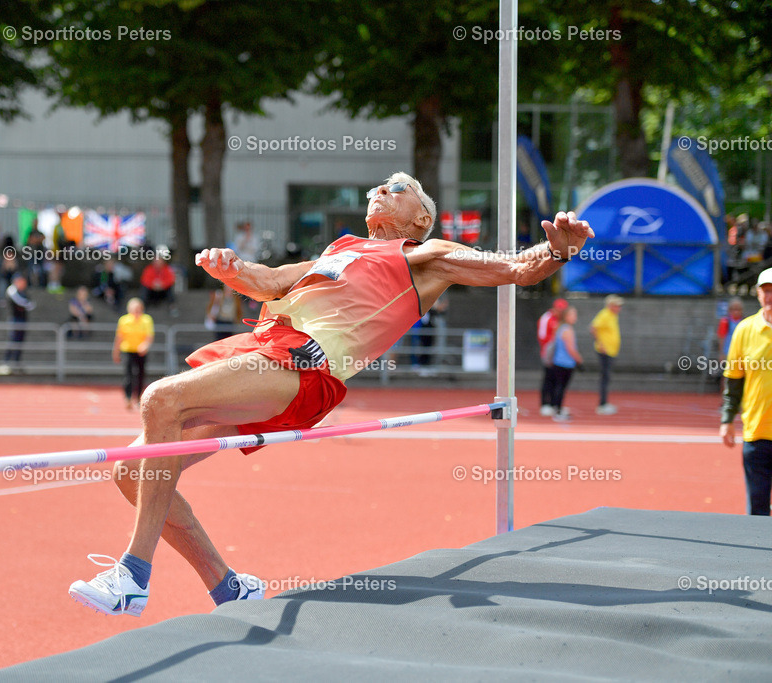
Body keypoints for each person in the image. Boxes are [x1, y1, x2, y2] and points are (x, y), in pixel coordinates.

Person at [67, 171, 593, 617]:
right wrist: (233, 269)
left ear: (420, 219)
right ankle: (228, 587)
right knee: (131, 471)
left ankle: (133, 576)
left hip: (304, 368)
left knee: (160, 399)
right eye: (378, 187)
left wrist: (557, 250)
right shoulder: (340, 249)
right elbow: (271, 280)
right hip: (265, 350)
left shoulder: (427, 254)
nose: (381, 191)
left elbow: (515, 268)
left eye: (398, 189)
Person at [720, 267, 772, 516]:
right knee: (757, 510)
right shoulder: (744, 329)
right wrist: (727, 419)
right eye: (766, 290)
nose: (770, 296)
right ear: (758, 294)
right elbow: (734, 379)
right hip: (756, 433)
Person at [112, 297, 154, 410]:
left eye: (138, 309)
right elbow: (119, 337)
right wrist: (115, 352)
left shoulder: (146, 320)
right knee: (128, 375)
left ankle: (139, 397)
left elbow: (149, 336)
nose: (136, 312)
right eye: (134, 309)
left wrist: (145, 345)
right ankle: (128, 397)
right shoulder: (124, 320)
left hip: (141, 352)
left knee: (141, 374)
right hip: (127, 350)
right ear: (129, 309)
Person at [546, 306, 583, 421]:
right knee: (561, 387)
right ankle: (558, 410)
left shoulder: (560, 327)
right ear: (566, 316)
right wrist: (579, 359)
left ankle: (556, 407)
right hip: (565, 363)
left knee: (558, 386)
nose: (575, 317)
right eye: (573, 315)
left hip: (559, 362)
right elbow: (570, 348)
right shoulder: (567, 330)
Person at [590, 294, 623, 415]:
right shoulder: (605, 314)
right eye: (617, 305)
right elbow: (593, 328)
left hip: (611, 351)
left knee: (607, 378)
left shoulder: (613, 316)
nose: (619, 308)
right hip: (605, 352)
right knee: (605, 378)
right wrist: (601, 344)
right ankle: (602, 404)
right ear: (610, 305)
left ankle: (604, 403)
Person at [537, 298, 568, 416]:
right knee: (548, 379)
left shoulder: (561, 320)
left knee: (557, 380)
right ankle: (545, 404)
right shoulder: (547, 318)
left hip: (558, 355)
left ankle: (554, 403)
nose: (561, 312)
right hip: (549, 353)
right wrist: (548, 352)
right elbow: (542, 336)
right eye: (560, 310)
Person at [3, 275, 35, 366]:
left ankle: (17, 361)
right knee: (12, 340)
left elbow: (30, 304)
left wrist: (27, 304)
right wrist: (26, 304)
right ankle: (7, 361)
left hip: (23, 319)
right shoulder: (12, 290)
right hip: (15, 319)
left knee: (20, 342)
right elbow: (21, 302)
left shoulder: (24, 292)